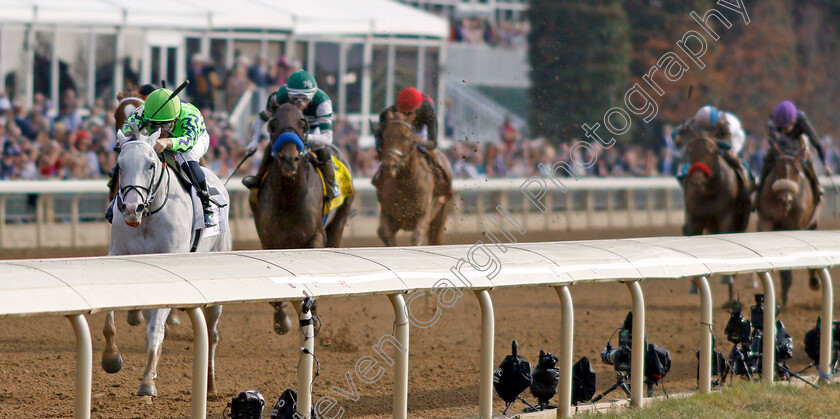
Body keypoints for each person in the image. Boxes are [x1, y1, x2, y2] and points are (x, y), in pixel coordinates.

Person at [113, 88, 217, 227]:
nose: (160, 130)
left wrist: (168, 142)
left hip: (193, 139)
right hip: (157, 140)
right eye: (155, 125)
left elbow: (188, 142)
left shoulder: (190, 116)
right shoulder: (141, 113)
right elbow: (125, 130)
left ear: (175, 119)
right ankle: (117, 200)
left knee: (186, 156)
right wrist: (125, 140)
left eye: (165, 125)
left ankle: (206, 203)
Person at [243, 69, 340, 199]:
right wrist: (254, 141)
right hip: (291, 131)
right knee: (272, 146)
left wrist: (306, 138)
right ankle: (258, 178)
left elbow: (328, 138)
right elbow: (260, 119)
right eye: (294, 98)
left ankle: (331, 182)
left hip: (312, 130)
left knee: (320, 148)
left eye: (305, 98)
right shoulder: (280, 96)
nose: (299, 102)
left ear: (313, 95)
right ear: (288, 94)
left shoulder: (322, 102)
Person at [760, 100, 829, 200]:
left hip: (798, 142)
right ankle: (759, 188)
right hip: (780, 146)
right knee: (767, 157)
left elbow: (816, 142)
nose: (784, 130)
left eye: (787, 127)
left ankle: (817, 185)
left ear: (794, 121)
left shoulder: (802, 120)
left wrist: (825, 163)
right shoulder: (772, 123)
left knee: (808, 156)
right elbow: (773, 143)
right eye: (782, 128)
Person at [671, 105, 752, 187]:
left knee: (730, 155)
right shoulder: (697, 120)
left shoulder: (727, 123)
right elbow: (675, 131)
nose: (702, 132)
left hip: (734, 138)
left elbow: (728, 145)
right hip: (713, 140)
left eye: (705, 130)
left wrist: (711, 142)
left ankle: (746, 180)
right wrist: (677, 137)